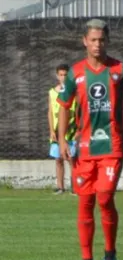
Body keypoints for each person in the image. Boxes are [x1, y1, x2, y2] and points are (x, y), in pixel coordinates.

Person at [57, 19, 123, 260]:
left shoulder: (120, 70)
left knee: (104, 198)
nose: (97, 44)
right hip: (84, 149)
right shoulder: (75, 73)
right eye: (93, 40)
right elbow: (64, 106)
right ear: (85, 41)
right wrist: (62, 140)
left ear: (107, 41)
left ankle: (109, 254)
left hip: (112, 146)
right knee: (85, 201)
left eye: (102, 40)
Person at [48, 63, 77, 194]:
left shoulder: (74, 92)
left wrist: (78, 130)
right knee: (58, 159)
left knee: (72, 159)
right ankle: (60, 187)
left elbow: (77, 110)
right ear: (57, 76)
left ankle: (75, 187)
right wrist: (51, 130)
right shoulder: (52, 92)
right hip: (56, 131)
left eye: (65, 75)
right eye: (61, 75)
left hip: (71, 131)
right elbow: (50, 112)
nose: (63, 77)